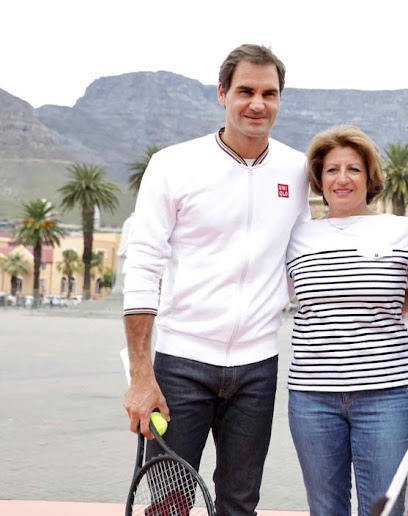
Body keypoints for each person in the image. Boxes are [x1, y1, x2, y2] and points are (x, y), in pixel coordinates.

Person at [121, 44, 310, 515]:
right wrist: (142, 377)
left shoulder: (298, 170)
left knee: (241, 501)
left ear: (280, 100)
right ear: (222, 93)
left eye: (269, 93)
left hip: (258, 366)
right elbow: (143, 265)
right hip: (180, 365)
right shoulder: (172, 164)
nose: (257, 103)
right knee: (169, 504)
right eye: (245, 90)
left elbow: (303, 261)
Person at [285, 125, 408, 516]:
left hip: (384, 397)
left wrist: (390, 304)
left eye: (353, 169)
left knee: (383, 510)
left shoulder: (401, 231)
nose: (342, 179)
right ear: (319, 179)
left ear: (370, 177)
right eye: (331, 170)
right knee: (326, 509)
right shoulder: (295, 238)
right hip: (311, 399)